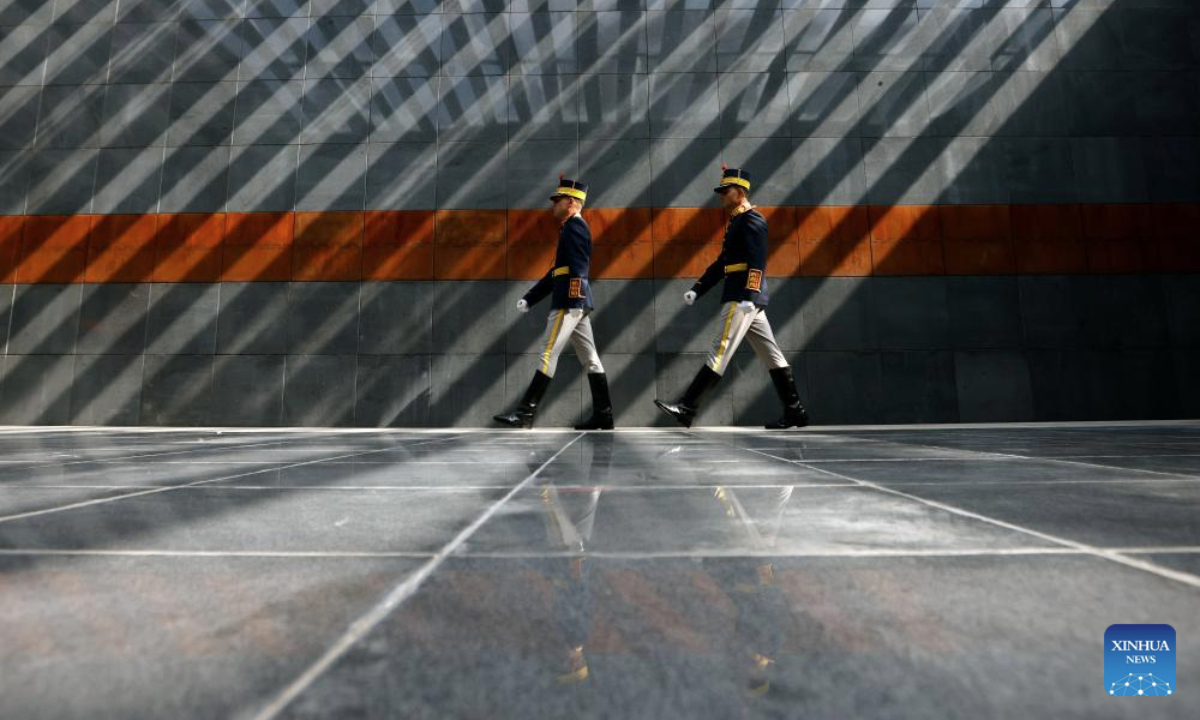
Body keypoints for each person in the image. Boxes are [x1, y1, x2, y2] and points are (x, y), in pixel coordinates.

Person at [654, 165, 808, 429]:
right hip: (747, 299)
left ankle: (687, 407)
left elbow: (757, 262)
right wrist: (698, 289)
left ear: (740, 192)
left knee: (720, 350)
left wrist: (749, 293)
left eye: (726, 191)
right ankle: (795, 411)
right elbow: (723, 263)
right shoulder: (737, 221)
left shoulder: (752, 220)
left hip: (742, 297)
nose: (721, 196)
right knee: (773, 356)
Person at [494, 176, 614, 430]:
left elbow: (578, 270)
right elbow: (557, 271)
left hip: (569, 301)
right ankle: (604, 415)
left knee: (548, 353)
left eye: (558, 200)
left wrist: (573, 298)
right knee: (591, 358)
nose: (553, 204)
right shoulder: (569, 227)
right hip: (576, 301)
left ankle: (525, 412)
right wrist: (530, 298)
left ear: (571, 201)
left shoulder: (576, 228)